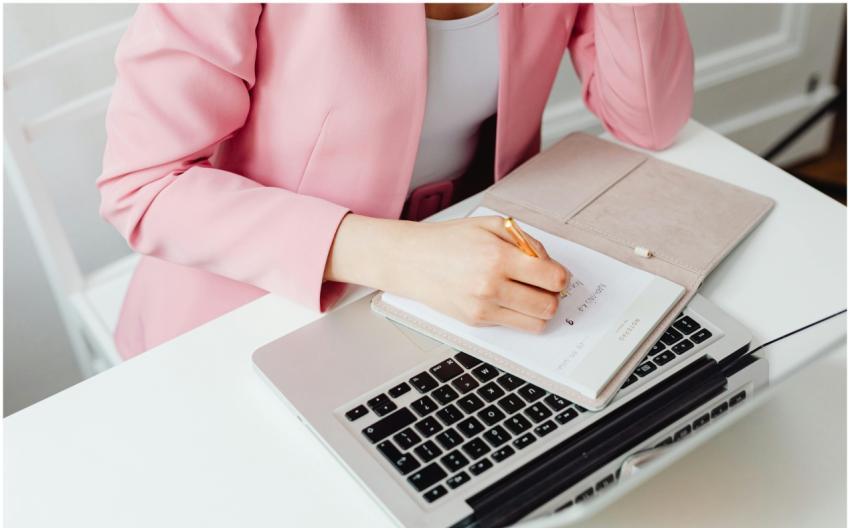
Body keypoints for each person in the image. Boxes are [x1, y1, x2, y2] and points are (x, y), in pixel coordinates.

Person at [97, 3, 693, 359]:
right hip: (250, 311)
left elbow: (649, 120)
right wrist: (405, 258)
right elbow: (144, 185)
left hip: (467, 296)